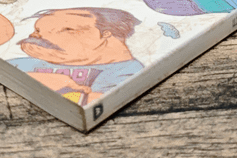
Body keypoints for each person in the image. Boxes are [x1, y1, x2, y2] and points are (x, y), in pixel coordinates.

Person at [8, 7, 144, 104]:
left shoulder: (126, 72)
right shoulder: (19, 63)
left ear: (106, 34)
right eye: (38, 30)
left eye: (67, 29)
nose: (36, 36)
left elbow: (93, 103)